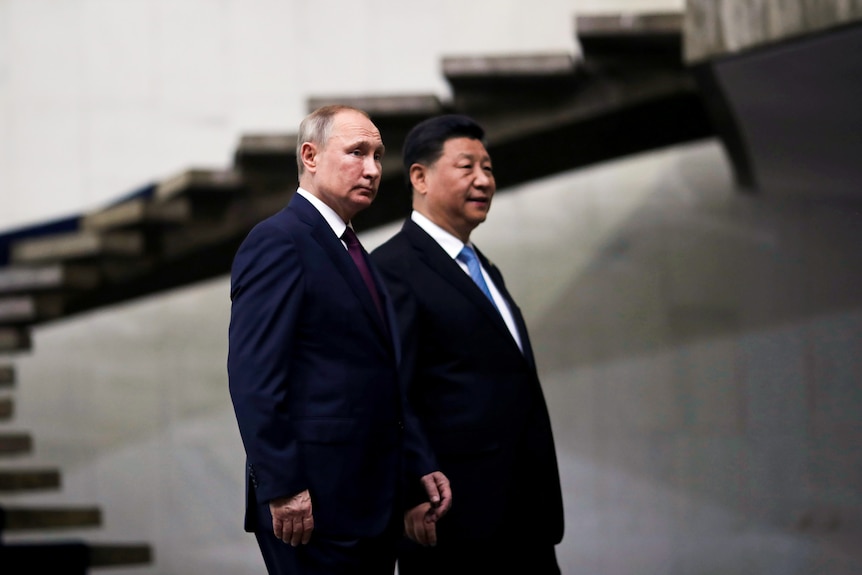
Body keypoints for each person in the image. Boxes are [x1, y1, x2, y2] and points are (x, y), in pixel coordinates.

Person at [227, 105, 451, 575]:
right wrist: (283, 486)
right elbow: (254, 377)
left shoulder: (349, 248)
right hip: (312, 506)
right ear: (310, 155)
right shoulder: (279, 241)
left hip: (368, 500)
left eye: (377, 155)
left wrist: (414, 467)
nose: (372, 169)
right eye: (356, 153)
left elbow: (378, 375)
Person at [370, 114, 565, 575]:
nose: (484, 180)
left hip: (524, 516)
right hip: (452, 520)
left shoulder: (484, 269)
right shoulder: (393, 269)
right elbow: (390, 392)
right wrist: (412, 492)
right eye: (467, 167)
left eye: (489, 168)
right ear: (420, 176)